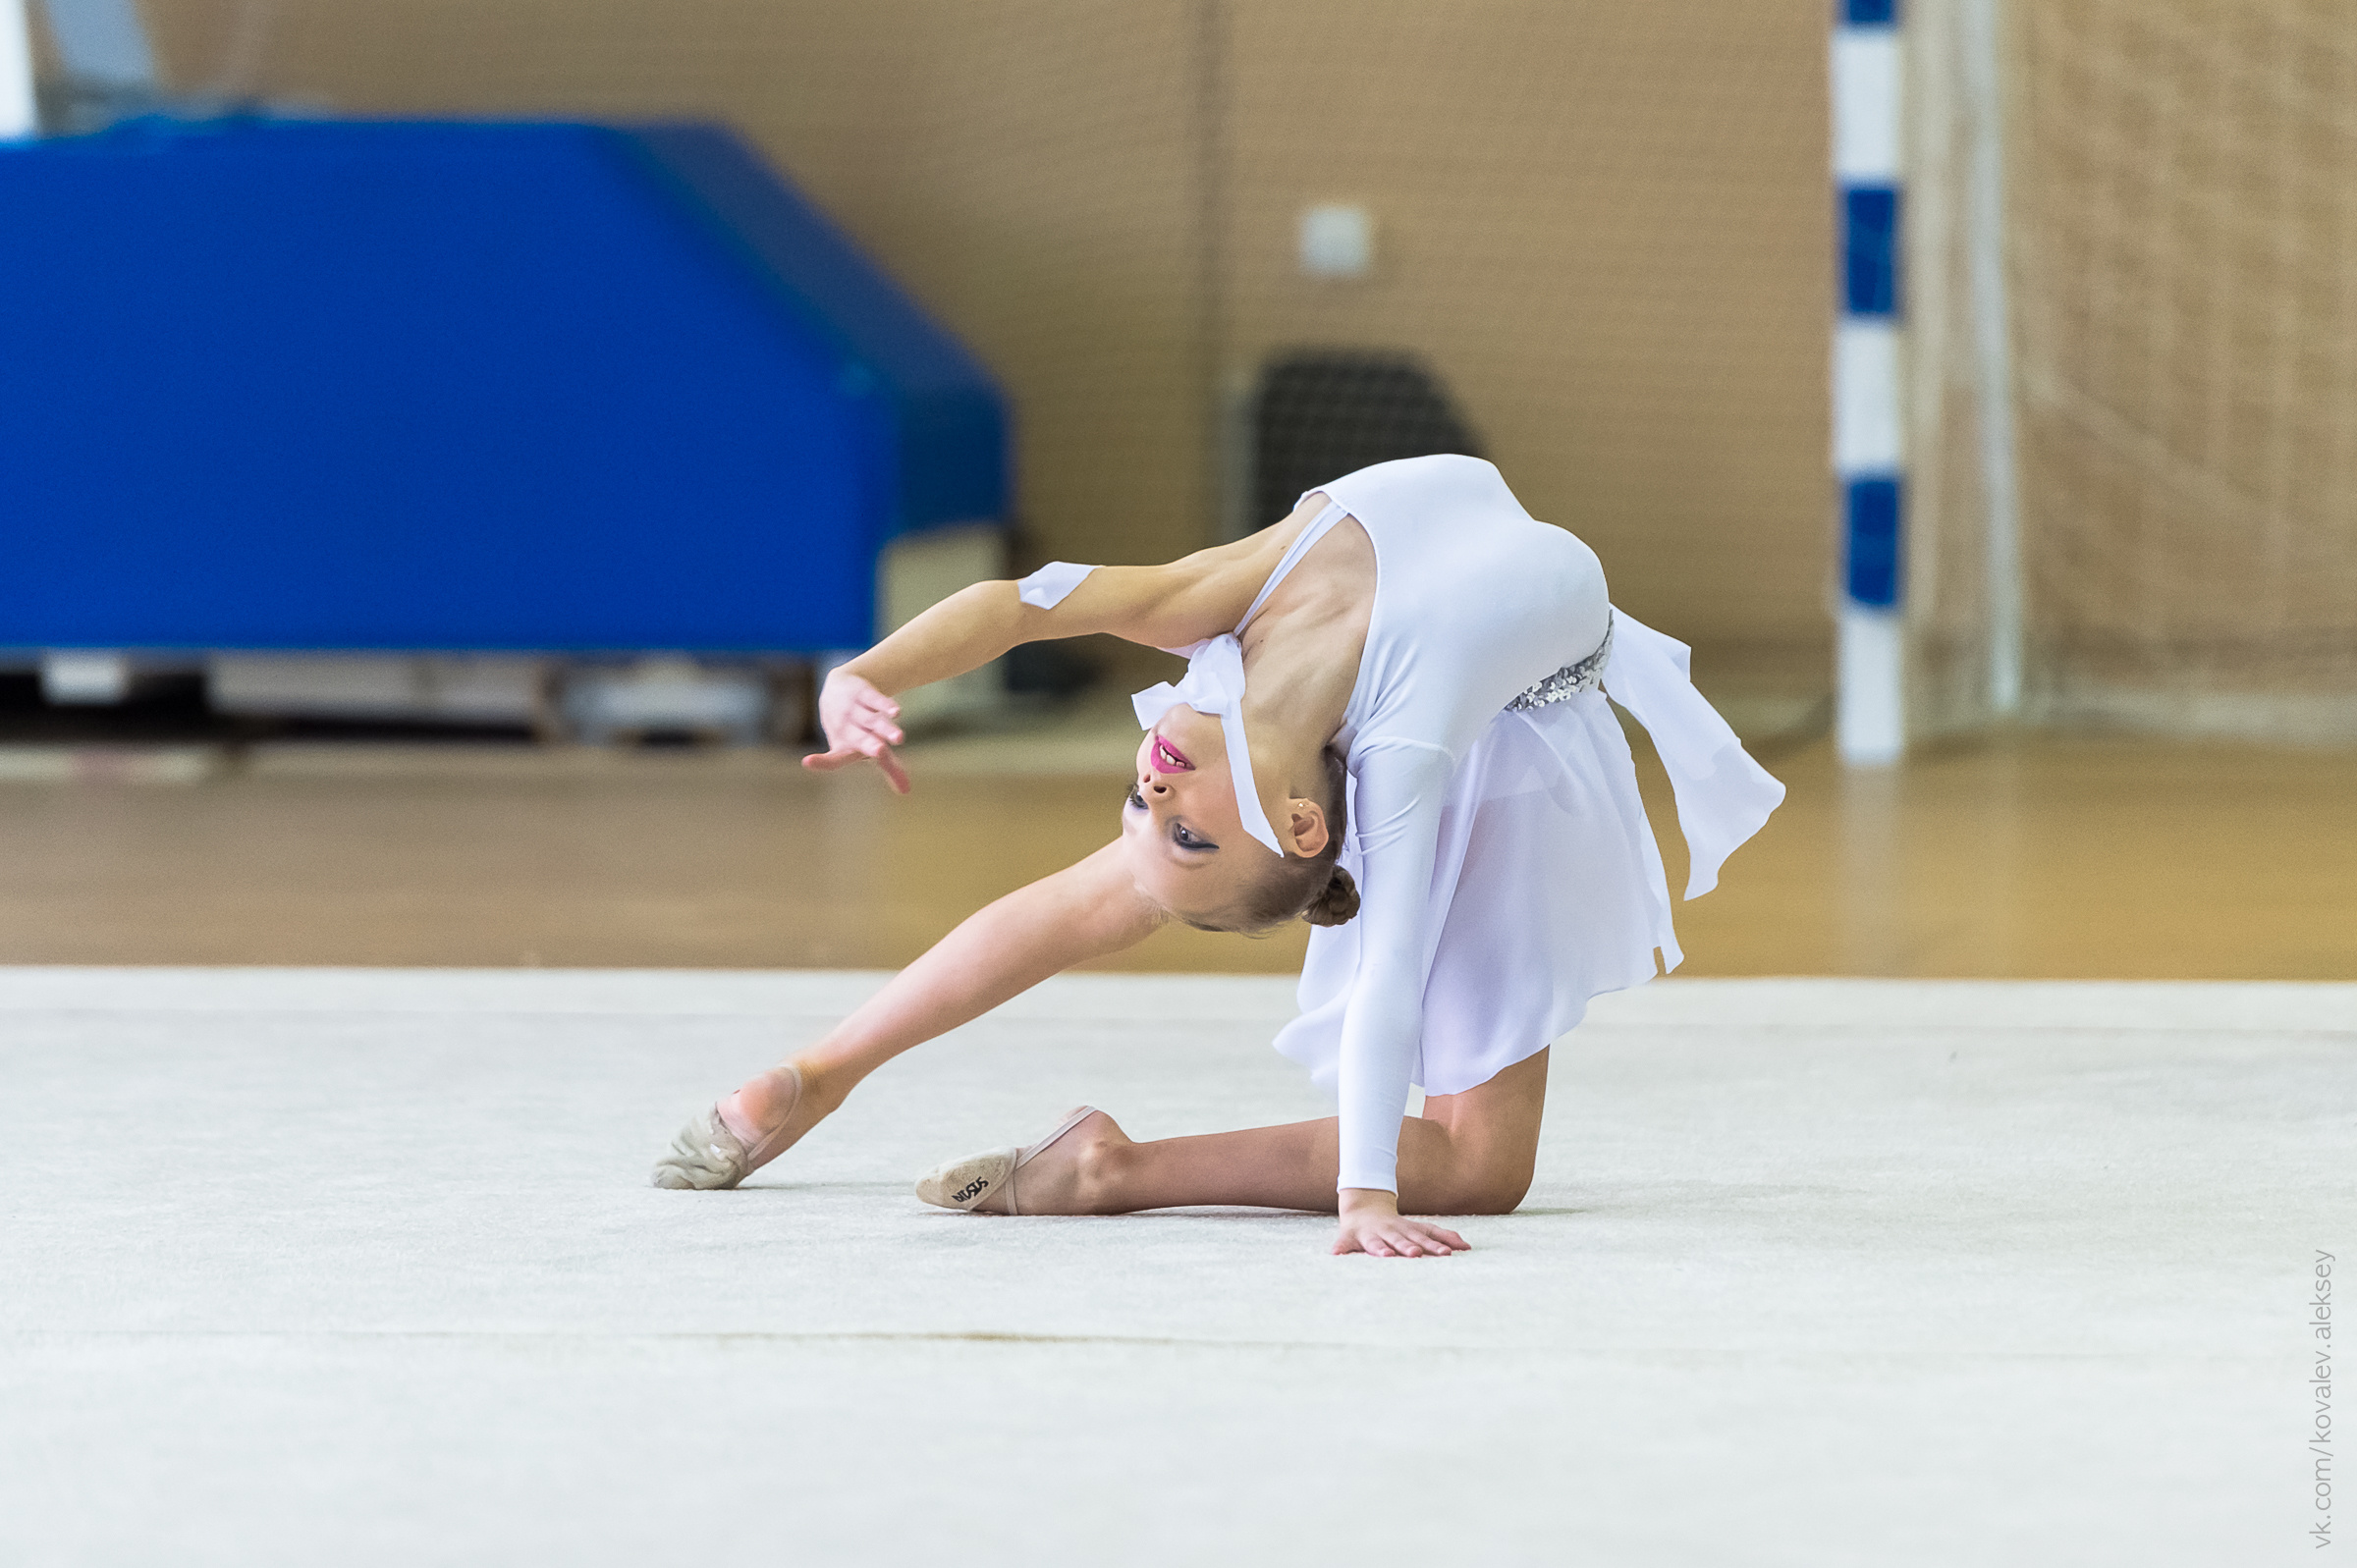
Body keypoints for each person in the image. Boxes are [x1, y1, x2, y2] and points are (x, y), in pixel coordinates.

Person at [652, 455, 1783, 1258]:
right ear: (1302, 823)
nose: (1150, 789)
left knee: (1124, 894)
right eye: (1177, 818)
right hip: (1460, 702)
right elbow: (1014, 604)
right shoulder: (1319, 699)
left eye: (1155, 810)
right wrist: (863, 677)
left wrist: (1367, 1198)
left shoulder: (1285, 675)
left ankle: (978, 1124)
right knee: (1475, 1162)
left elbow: (1016, 602)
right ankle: (897, 1098)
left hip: (1500, 719)